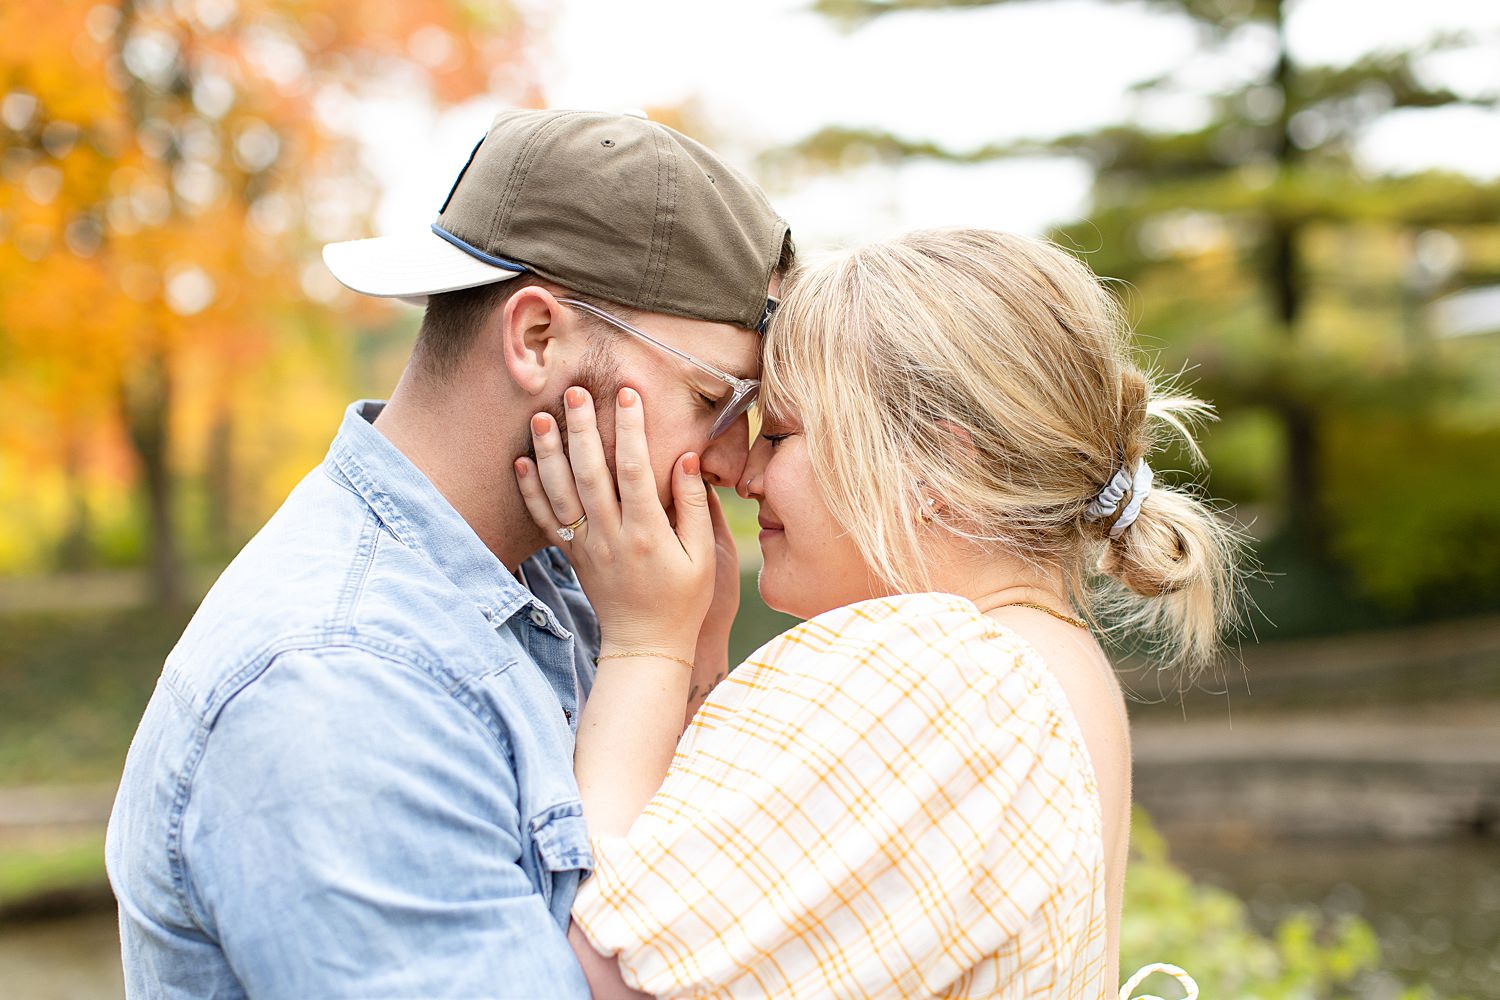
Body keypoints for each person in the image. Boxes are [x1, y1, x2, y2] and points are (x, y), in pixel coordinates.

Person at [105, 108, 792, 998]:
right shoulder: (341, 687)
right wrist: (647, 653)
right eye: (711, 400)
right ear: (536, 338)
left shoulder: (584, 579)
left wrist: (684, 662)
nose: (737, 464)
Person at [515, 228, 1234, 998]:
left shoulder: (942, 670)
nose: (746, 475)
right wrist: (697, 649)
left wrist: (645, 643)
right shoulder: (1044, 662)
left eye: (782, 434)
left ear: (940, 465)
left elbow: (600, 975)